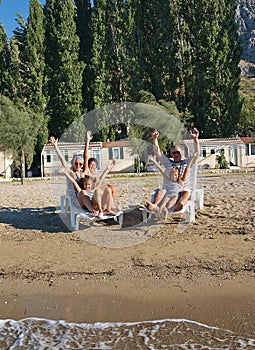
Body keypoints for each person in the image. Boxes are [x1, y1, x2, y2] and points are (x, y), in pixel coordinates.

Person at [146, 128, 200, 212]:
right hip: (169, 188)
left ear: (182, 152)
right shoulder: (168, 163)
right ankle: (155, 206)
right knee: (161, 191)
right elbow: (158, 153)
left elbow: (197, 154)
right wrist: (155, 139)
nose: (176, 154)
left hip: (183, 188)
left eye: (178, 152)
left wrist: (195, 139)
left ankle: (178, 206)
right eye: (174, 153)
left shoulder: (186, 162)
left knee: (186, 193)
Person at [146, 154, 197, 219]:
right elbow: (162, 171)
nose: (174, 176)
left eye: (175, 175)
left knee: (169, 206)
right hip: (168, 195)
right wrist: (154, 161)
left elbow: (186, 170)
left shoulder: (181, 182)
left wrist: (191, 159)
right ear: (170, 175)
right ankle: (158, 212)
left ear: (178, 175)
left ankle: (164, 214)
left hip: (175, 196)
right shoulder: (169, 181)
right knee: (163, 204)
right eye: (172, 175)